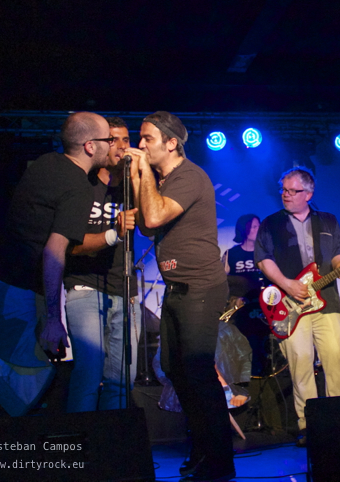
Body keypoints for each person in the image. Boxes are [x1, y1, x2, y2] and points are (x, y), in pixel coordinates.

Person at [0, 112, 111, 416]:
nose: (111, 144)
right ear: (89, 146)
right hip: (10, 285)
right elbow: (54, 251)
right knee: (24, 380)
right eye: (108, 139)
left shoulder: (46, 162)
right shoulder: (78, 186)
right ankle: (0, 439)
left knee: (15, 365)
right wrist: (54, 319)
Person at [125, 111, 234, 482]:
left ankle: (220, 461)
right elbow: (145, 225)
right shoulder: (163, 180)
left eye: (148, 139)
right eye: (140, 138)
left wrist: (142, 171)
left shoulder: (188, 176)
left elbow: (154, 218)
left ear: (171, 143)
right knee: (175, 369)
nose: (141, 145)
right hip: (177, 288)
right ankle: (202, 448)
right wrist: (140, 176)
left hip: (200, 286)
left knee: (198, 371)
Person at [255, 166, 340, 447]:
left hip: (327, 302)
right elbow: (263, 259)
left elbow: (338, 253)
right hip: (292, 305)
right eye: (283, 190)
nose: (285, 195)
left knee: (335, 358)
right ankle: (308, 425)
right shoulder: (271, 223)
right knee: (301, 362)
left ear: (309, 194)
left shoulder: (328, 221)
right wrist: (286, 284)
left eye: (293, 191)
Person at [64, 116, 140, 412]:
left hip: (125, 289)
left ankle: (112, 439)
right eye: (113, 139)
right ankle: (81, 440)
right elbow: (69, 244)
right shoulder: (83, 184)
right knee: (88, 374)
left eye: (126, 140)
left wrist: (139, 177)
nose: (120, 146)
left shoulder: (133, 187)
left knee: (122, 381)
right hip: (86, 287)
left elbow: (151, 227)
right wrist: (113, 234)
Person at [222, 214, 268, 376]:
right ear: (244, 230)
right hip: (239, 308)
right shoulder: (231, 254)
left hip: (263, 307)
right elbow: (222, 283)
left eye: (259, 226)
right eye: (254, 226)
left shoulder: (266, 254)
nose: (258, 229)